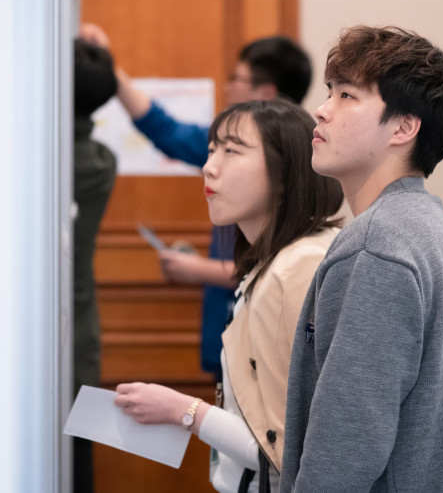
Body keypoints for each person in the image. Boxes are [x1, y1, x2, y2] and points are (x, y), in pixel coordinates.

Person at [280, 25, 443, 492]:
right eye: (330, 92)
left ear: (403, 127)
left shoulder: (376, 246)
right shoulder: (435, 229)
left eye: (347, 96)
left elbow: (345, 447)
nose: (322, 109)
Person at [113, 98, 343, 492]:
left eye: (232, 151)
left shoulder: (298, 267)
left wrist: (183, 410)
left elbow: (288, 447)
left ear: (285, 172)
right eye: (211, 150)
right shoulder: (277, 261)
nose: (209, 166)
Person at [81, 22, 313, 380]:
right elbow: (166, 130)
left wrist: (199, 270)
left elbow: (277, 269)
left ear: (265, 92)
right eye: (213, 151)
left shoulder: (299, 173)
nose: (209, 168)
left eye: (237, 78)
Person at [71, 37, 119, 493]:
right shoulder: (101, 162)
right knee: (76, 459)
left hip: (31, 334)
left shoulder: (33, 157)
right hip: (80, 330)